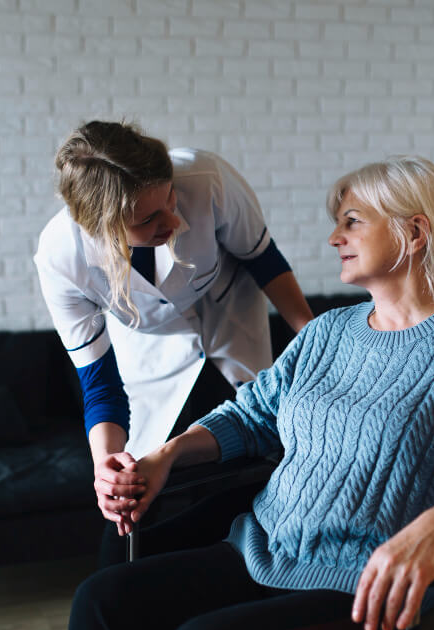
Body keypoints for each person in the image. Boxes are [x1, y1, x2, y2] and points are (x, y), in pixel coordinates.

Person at [63, 156, 434, 630]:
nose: (334, 238)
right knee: (101, 603)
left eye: (352, 221)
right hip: (261, 549)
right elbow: (252, 415)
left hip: (363, 588)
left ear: (414, 232)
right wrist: (166, 455)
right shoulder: (327, 332)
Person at [34, 121, 314, 557]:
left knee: (252, 466)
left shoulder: (206, 179)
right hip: (152, 357)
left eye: (170, 198)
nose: (176, 220)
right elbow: (100, 384)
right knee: (142, 502)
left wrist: (316, 342)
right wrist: (104, 467)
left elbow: (264, 261)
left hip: (231, 324)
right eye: (149, 219)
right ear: (103, 228)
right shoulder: (62, 259)